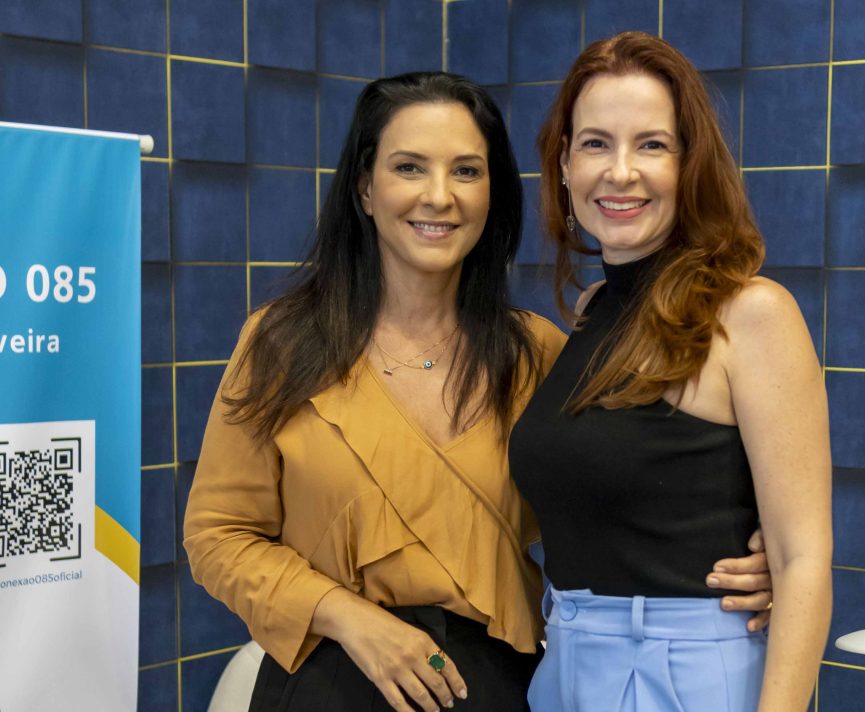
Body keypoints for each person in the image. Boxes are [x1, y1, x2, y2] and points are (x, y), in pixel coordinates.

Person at [183, 71, 774, 712]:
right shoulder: (281, 343)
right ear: (365, 188)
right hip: (329, 679)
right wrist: (348, 617)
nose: (439, 196)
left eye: (466, 171)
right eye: (409, 167)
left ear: (492, 193)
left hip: (496, 684)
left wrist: (750, 558)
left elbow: (627, 487)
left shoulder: (537, 353)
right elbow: (218, 536)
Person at [510, 32, 832, 711]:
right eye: (595, 143)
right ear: (564, 163)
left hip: (684, 676)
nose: (620, 171)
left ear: (690, 164)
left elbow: (802, 560)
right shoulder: (594, 310)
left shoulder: (750, 313)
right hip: (566, 664)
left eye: (651, 144)